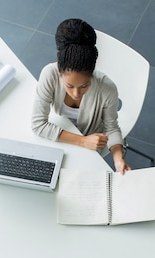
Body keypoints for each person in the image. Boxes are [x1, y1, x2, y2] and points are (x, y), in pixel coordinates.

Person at [31, 18, 131, 174]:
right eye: (69, 86)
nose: (76, 94)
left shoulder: (107, 89)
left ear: (91, 75)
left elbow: (111, 128)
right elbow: (37, 125)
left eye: (84, 86)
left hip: (89, 141)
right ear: (59, 71)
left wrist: (118, 159)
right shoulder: (49, 74)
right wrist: (82, 141)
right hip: (65, 135)